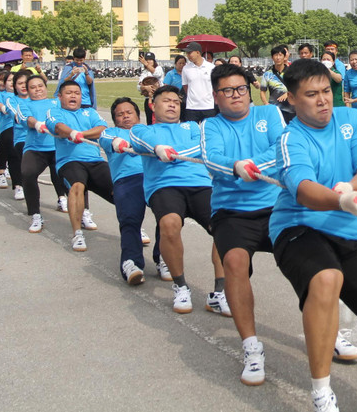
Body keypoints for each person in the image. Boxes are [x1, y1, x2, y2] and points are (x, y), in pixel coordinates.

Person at [271, 58, 357, 412]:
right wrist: (340, 199)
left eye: (326, 92)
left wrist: (352, 188)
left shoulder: (353, 119)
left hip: (350, 231)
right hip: (298, 227)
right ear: (290, 99)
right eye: (311, 94)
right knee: (327, 277)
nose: (323, 101)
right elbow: (302, 190)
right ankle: (321, 391)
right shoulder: (291, 138)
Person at [199, 63, 286, 386]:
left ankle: (326, 332)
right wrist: (235, 166)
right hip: (232, 210)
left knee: (310, 261)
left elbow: (280, 148)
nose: (236, 96)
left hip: (277, 206)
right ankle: (251, 348)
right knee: (233, 261)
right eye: (227, 91)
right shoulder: (210, 125)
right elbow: (211, 159)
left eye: (240, 89)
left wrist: (252, 165)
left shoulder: (269, 115)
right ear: (215, 96)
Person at [129, 85, 228, 314]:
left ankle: (220, 292)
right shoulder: (143, 129)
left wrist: (170, 152)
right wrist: (157, 148)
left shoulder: (192, 126)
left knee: (225, 227)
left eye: (176, 101)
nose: (173, 104)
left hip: (200, 184)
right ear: (153, 105)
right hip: (164, 186)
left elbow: (200, 147)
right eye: (167, 100)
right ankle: (181, 287)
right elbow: (139, 141)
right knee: (169, 224)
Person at [45, 81, 114, 252]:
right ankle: (77, 234)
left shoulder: (89, 112)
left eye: (77, 93)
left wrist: (80, 134)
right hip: (69, 161)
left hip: (95, 161)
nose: (73, 96)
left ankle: (133, 228)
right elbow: (59, 127)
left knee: (120, 190)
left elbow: (102, 129)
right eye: (69, 93)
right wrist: (70, 133)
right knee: (77, 186)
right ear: (60, 96)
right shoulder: (54, 112)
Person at [98, 97, 157, 285]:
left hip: (154, 178)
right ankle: (132, 263)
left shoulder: (148, 132)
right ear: (115, 119)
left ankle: (163, 258)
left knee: (169, 216)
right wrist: (118, 143)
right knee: (130, 219)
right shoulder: (110, 132)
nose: (125, 117)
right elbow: (106, 139)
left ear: (138, 116)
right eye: (120, 114)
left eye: (129, 113)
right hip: (127, 180)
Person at [16, 74, 68, 233]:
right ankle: (35, 214)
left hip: (58, 147)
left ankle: (69, 203)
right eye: (32, 87)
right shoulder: (23, 104)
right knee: (28, 173)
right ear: (28, 90)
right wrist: (37, 124)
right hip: (35, 149)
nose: (37, 90)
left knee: (71, 176)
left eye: (40, 86)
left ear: (46, 87)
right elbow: (26, 118)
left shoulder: (56, 102)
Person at [3, 71, 31, 201]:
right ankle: (18, 185)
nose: (23, 86)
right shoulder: (10, 99)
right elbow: (16, 115)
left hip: (36, 136)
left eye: (26, 83)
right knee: (16, 156)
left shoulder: (36, 99)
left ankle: (61, 196)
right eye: (20, 83)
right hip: (17, 134)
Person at [181, 41, 217, 122]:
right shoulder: (186, 69)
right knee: (192, 132)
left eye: (190, 53)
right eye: (187, 53)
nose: (188, 56)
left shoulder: (211, 67)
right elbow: (185, 86)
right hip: (192, 107)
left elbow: (215, 86)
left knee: (209, 131)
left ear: (198, 52)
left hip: (208, 106)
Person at [260, 45, 294, 123]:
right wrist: (266, 103)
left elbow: (297, 88)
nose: (278, 58)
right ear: (272, 57)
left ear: (284, 57)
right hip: (274, 110)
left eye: (280, 55)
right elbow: (262, 91)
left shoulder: (291, 72)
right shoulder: (267, 74)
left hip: (290, 109)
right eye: (275, 55)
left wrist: (288, 93)